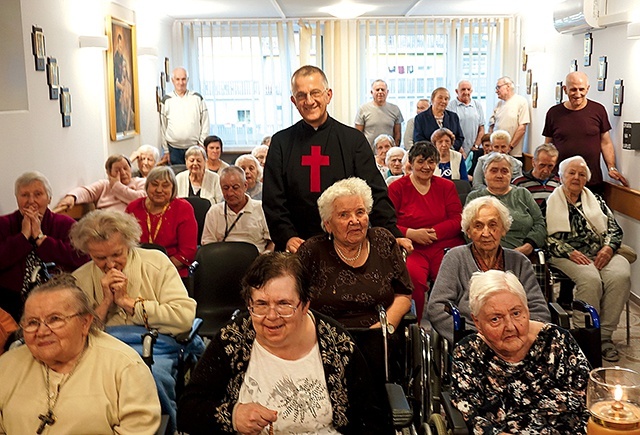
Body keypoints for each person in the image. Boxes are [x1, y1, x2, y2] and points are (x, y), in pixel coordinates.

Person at [177, 252, 385, 434]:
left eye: (284, 304)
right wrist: (233, 416)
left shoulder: (338, 345)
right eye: (260, 304)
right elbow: (188, 410)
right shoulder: (233, 339)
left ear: (304, 305)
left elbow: (372, 420)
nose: (271, 316)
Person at [70, 209, 197, 429]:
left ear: (129, 243)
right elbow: (77, 334)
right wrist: (106, 303)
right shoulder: (80, 278)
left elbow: (184, 317)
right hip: (102, 348)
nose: (110, 264)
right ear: (88, 252)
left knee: (147, 380)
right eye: (100, 258)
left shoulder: (156, 263)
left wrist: (129, 303)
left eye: (117, 254)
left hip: (154, 346)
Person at [263, 65, 409, 253]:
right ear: (293, 100)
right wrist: (287, 236)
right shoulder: (281, 143)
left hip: (348, 244)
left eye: (315, 93)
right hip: (297, 245)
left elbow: (375, 192)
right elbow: (273, 200)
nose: (309, 101)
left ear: (328, 95)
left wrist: (392, 233)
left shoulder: (353, 140)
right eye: (301, 95)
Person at [0, 274, 161, 434]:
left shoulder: (125, 367)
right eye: (32, 322)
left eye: (55, 319)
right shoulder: (6, 366)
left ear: (85, 323)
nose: (41, 331)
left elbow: (138, 429)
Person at [450, 270, 590, 433]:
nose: (510, 327)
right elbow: (474, 420)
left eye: (516, 313)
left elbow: (587, 401)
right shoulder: (468, 354)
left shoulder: (558, 341)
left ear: (527, 309)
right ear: (477, 322)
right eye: (496, 319)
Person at [426, 196, 550, 343]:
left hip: (516, 338)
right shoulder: (455, 258)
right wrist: (470, 338)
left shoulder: (520, 262)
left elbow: (539, 310)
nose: (486, 233)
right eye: (478, 226)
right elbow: (437, 307)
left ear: (503, 229)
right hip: (473, 338)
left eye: (493, 225)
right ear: (468, 231)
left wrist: (520, 335)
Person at [298, 177, 412, 330]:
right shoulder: (312, 250)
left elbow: (403, 294)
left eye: (360, 212)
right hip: (325, 338)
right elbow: (294, 299)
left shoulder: (383, 241)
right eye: (344, 215)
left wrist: (385, 327)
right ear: (328, 224)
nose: (355, 220)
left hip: (379, 336)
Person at [546, 156, 631, 362]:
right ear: (561, 176)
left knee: (621, 275)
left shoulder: (596, 200)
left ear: (587, 179)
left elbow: (614, 229)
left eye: (582, 174)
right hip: (565, 254)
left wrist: (608, 248)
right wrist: (568, 251)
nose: (576, 177)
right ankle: (584, 335)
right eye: (572, 173)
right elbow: (544, 236)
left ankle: (604, 337)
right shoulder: (549, 202)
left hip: (600, 252)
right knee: (591, 280)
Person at [388, 142, 465, 320]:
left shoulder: (446, 187)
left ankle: (448, 325)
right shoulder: (396, 188)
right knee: (413, 278)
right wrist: (411, 233)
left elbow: (457, 219)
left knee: (450, 281)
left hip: (443, 246)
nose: (426, 167)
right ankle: (416, 326)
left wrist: (433, 232)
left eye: (431, 161)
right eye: (421, 161)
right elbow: (387, 223)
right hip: (411, 247)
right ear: (411, 163)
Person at [0, 172, 88, 321]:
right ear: (17, 199)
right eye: (24, 195)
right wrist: (23, 237)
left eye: (38, 194)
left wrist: (42, 239)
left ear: (49, 199)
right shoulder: (4, 224)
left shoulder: (65, 224)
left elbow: (83, 258)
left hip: (59, 294)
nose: (31, 201)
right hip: (10, 299)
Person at [543, 71, 628, 194]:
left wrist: (611, 167)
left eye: (581, 89)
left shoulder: (598, 110)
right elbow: (548, 146)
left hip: (592, 181)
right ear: (565, 89)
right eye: (573, 90)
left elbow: (606, 142)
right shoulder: (553, 113)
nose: (578, 94)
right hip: (561, 181)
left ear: (588, 89)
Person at [467, 153, 546, 257]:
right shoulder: (475, 197)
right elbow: (468, 229)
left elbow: (539, 223)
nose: (499, 175)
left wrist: (528, 246)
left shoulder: (523, 193)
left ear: (511, 174)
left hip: (524, 254)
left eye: (504, 171)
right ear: (485, 173)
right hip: (486, 255)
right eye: (494, 171)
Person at [125, 167, 198, 278]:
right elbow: (125, 243)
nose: (159, 190)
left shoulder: (183, 208)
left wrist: (159, 270)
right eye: (154, 184)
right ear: (147, 186)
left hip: (172, 269)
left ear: (173, 188)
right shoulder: (133, 207)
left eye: (165, 185)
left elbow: (187, 251)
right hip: (137, 268)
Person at [201, 166, 274, 253]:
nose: (230, 193)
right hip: (222, 260)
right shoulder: (214, 212)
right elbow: (207, 245)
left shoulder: (261, 208)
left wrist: (265, 256)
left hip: (256, 261)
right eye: (225, 188)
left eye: (235, 187)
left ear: (245, 186)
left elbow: (272, 242)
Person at [54, 155, 146, 213]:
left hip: (129, 225)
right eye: (117, 170)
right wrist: (72, 197)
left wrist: (117, 186)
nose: (123, 173)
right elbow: (86, 191)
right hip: (105, 222)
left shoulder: (140, 182)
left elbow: (140, 200)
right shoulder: (104, 185)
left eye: (125, 168)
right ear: (109, 173)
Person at [160, 67, 210, 165]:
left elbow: (205, 122)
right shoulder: (166, 100)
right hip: (173, 149)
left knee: (195, 176)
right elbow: (163, 126)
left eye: (183, 79)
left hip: (194, 147)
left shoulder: (197, 98)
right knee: (177, 177)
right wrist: (166, 150)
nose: (181, 82)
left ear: (187, 80)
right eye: (177, 79)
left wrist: (201, 143)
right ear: (172, 81)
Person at [512, 143, 561, 216]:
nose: (545, 170)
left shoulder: (558, 183)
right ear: (533, 162)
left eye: (550, 166)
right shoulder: (519, 183)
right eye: (542, 165)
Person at [489, 76, 530, 161]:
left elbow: (522, 128)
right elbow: (491, 126)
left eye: (498, 87)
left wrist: (510, 147)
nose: (496, 91)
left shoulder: (521, 101)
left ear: (508, 86)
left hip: (513, 153)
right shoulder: (498, 104)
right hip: (496, 153)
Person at [355, 79, 404, 148]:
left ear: (387, 92)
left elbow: (397, 134)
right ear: (372, 92)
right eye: (377, 90)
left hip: (388, 153)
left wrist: (394, 149)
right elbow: (358, 134)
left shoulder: (395, 109)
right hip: (368, 152)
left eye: (383, 89)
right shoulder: (363, 109)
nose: (380, 92)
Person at [413, 87, 464, 152]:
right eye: (440, 98)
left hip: (450, 155)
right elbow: (418, 140)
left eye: (446, 99)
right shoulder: (420, 118)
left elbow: (460, 137)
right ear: (432, 99)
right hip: (429, 156)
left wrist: (449, 148)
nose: (443, 101)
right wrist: (437, 149)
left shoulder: (453, 117)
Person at [447, 80, 485, 158]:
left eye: (468, 89)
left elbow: (481, 129)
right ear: (457, 91)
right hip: (456, 150)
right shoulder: (450, 106)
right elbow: (448, 130)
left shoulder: (477, 105)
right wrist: (459, 148)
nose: (466, 92)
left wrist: (476, 146)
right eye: (463, 89)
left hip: (473, 150)